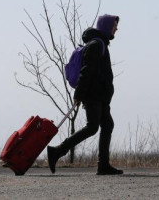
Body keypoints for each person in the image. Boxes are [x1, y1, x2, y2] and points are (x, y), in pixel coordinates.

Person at [47, 14, 123, 175]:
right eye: (114, 26)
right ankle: (57, 152)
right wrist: (79, 94)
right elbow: (86, 71)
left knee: (107, 125)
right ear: (106, 26)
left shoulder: (100, 43)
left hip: (100, 96)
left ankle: (103, 165)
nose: (116, 29)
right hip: (94, 95)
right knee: (92, 127)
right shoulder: (96, 45)